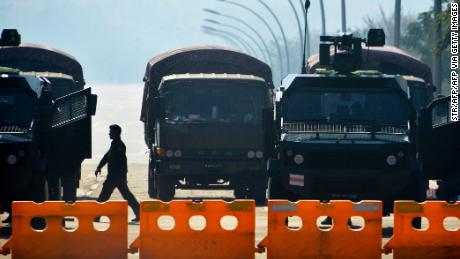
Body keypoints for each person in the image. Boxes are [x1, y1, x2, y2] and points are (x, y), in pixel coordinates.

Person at [95, 124, 140, 222]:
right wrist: (99, 167)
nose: (109, 133)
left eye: (111, 131)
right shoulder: (114, 144)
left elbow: (121, 162)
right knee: (126, 195)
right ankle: (139, 213)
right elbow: (106, 157)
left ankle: (96, 216)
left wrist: (120, 176)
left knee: (104, 196)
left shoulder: (120, 145)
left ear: (116, 133)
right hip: (115, 176)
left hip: (116, 177)